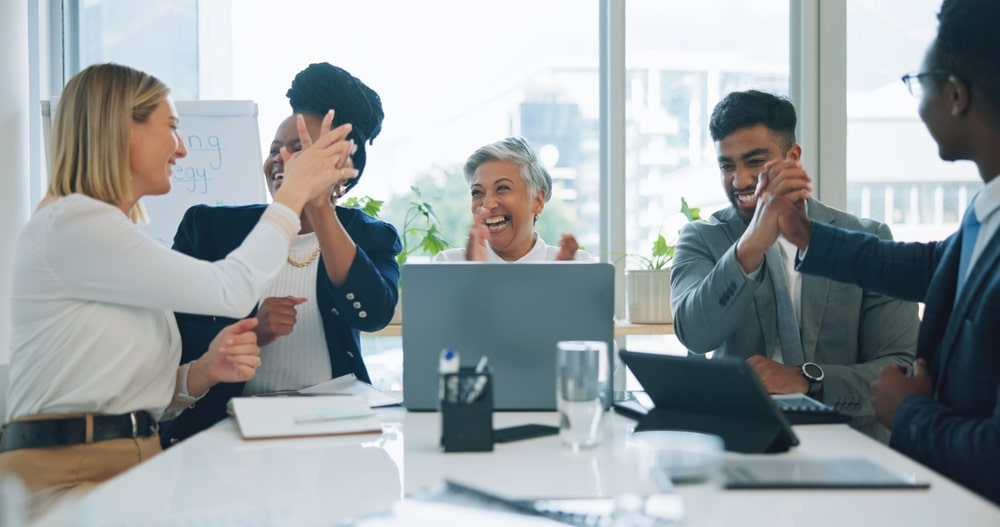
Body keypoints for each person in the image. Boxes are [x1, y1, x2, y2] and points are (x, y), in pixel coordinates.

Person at [0, 63, 353, 515]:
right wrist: (296, 190)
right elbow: (233, 287)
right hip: (73, 476)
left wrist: (204, 370)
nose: (182, 149)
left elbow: (134, 395)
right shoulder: (72, 225)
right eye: (171, 128)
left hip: (132, 467)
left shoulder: (108, 238)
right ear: (121, 129)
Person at [759, 0, 1000, 503]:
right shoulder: (987, 210)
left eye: (920, 81)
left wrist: (907, 410)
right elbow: (936, 266)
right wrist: (806, 234)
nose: (918, 99)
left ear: (955, 94)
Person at [159, 63, 401, 447]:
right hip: (227, 434)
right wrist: (255, 328)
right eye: (275, 149)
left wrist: (320, 206)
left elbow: (372, 314)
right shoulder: (207, 229)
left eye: (300, 150)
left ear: (343, 168)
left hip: (332, 434)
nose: (282, 159)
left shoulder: (371, 236)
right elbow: (174, 332)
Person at [669, 89, 919, 442]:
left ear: (793, 157)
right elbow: (694, 333)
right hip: (740, 438)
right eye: (727, 165)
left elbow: (901, 366)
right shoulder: (702, 239)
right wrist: (751, 243)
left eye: (754, 162)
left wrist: (808, 380)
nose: (739, 181)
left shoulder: (867, 238)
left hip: (852, 441)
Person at [435, 136, 593, 262]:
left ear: (537, 201)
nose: (487, 204)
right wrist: (474, 275)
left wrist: (564, 285)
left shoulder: (578, 266)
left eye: (502, 188)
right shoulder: (448, 265)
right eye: (477, 192)